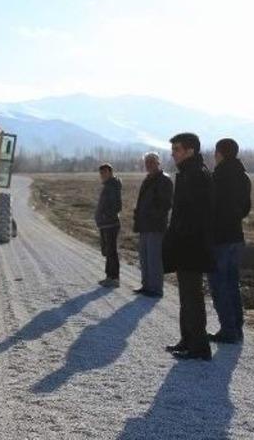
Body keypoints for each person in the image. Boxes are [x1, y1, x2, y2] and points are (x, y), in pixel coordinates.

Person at [162, 132, 214, 361]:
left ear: (190, 151)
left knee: (192, 296)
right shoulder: (187, 173)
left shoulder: (197, 175)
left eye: (177, 150)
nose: (173, 154)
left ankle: (199, 347)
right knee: (185, 296)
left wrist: (180, 236)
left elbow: (195, 214)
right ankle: (187, 340)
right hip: (185, 244)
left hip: (193, 245)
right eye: (173, 150)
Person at [208, 138, 252, 344]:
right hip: (236, 236)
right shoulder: (244, 177)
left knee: (219, 285)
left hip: (220, 237)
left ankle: (228, 330)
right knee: (232, 284)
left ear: (220, 153)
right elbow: (245, 209)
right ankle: (237, 327)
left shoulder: (218, 176)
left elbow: (211, 207)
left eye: (216, 152)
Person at [132, 152, 173, 298]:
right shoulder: (148, 179)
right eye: (147, 162)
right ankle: (146, 286)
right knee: (144, 257)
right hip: (144, 225)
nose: (149, 165)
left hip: (155, 226)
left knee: (154, 258)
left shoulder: (164, 180)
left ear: (158, 163)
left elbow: (166, 204)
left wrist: (151, 215)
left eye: (152, 162)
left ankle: (156, 289)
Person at [95, 163, 122, 288]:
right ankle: (109, 277)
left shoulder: (113, 186)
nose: (103, 175)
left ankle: (114, 278)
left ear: (110, 173)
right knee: (107, 251)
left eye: (105, 172)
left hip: (111, 224)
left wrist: (105, 216)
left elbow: (117, 206)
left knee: (111, 251)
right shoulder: (108, 185)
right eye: (101, 173)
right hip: (105, 224)